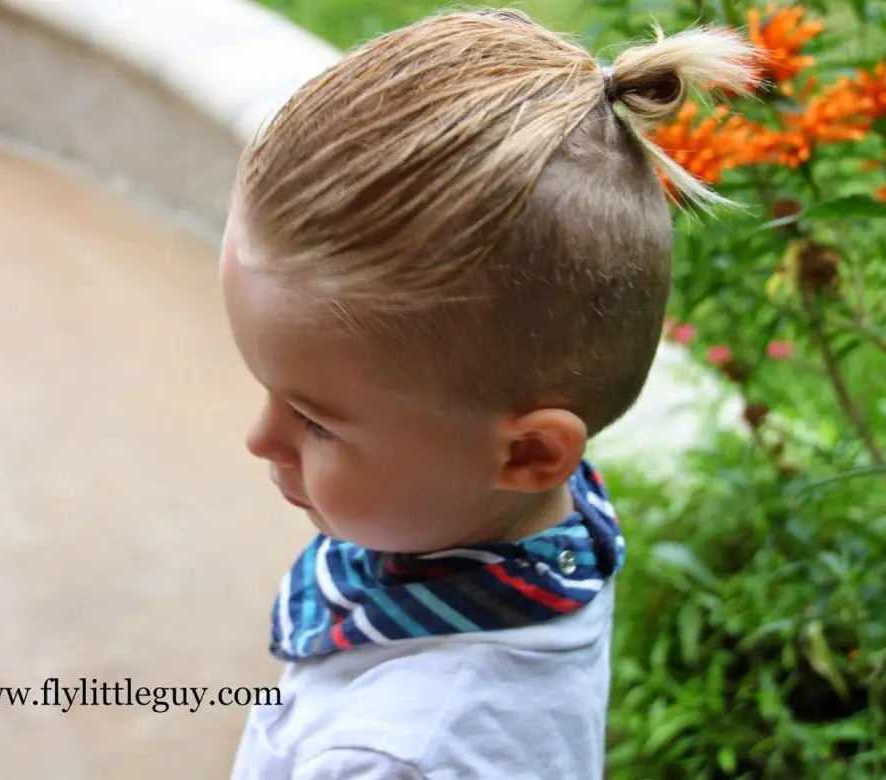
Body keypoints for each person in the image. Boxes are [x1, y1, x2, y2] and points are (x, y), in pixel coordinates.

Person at [220, 9, 755, 779]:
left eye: (315, 422)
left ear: (532, 452)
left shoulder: (398, 757)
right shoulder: (525, 529)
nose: (260, 439)